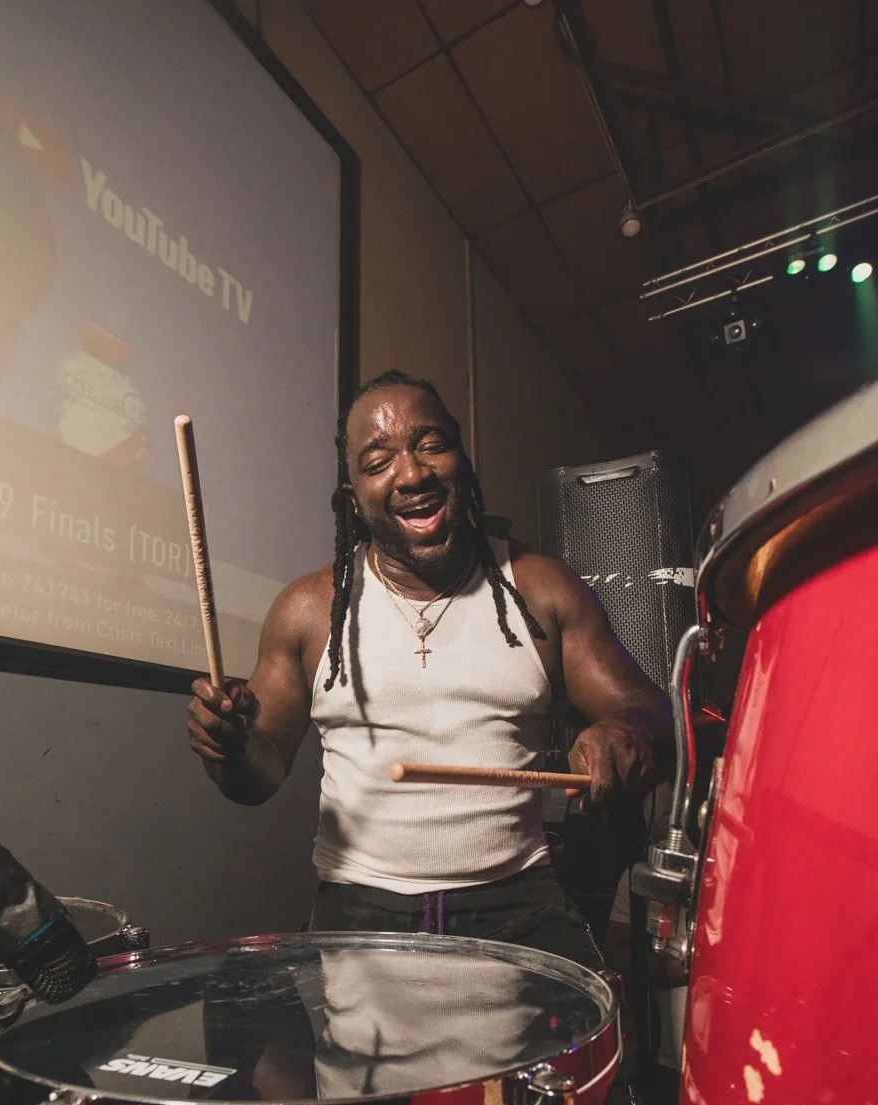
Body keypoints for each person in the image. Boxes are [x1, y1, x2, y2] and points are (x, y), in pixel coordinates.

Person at [188, 369, 672, 956]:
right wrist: (231, 747)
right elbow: (257, 777)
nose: (412, 474)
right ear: (353, 497)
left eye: (431, 445)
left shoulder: (541, 589)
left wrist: (627, 731)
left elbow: (651, 711)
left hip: (518, 901)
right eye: (378, 462)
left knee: (589, 1016)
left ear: (462, 459)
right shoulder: (308, 610)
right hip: (360, 907)